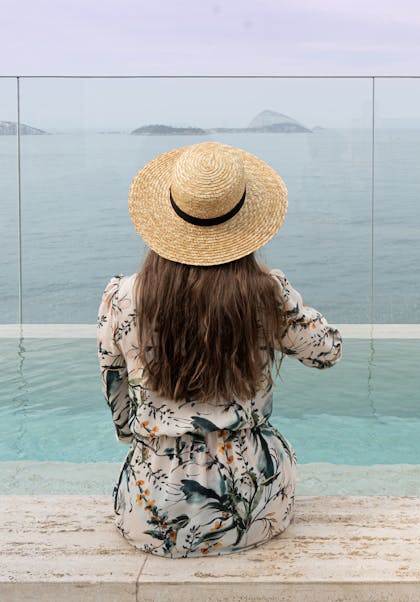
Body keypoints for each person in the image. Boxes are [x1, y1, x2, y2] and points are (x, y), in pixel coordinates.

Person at [97, 141, 342, 558]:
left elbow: (115, 388)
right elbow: (327, 351)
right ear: (245, 223)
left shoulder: (123, 296)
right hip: (253, 504)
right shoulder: (265, 293)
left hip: (153, 505)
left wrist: (138, 441)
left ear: (167, 219)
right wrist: (275, 292)